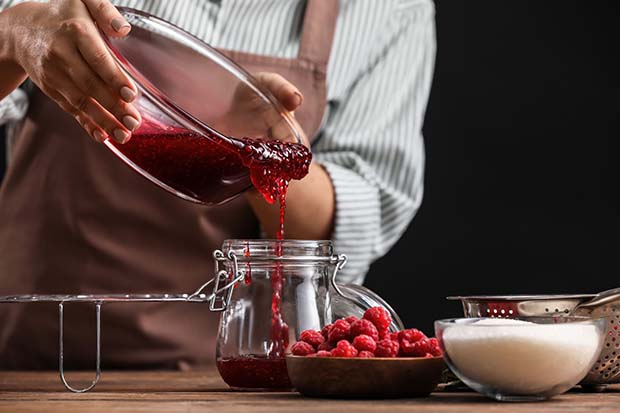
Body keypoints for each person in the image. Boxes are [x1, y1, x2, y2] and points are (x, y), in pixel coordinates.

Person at [0, 0, 436, 369]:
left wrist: (252, 148)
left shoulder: (391, 10)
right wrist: (10, 35)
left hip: (228, 371)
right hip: (32, 360)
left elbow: (358, 220)